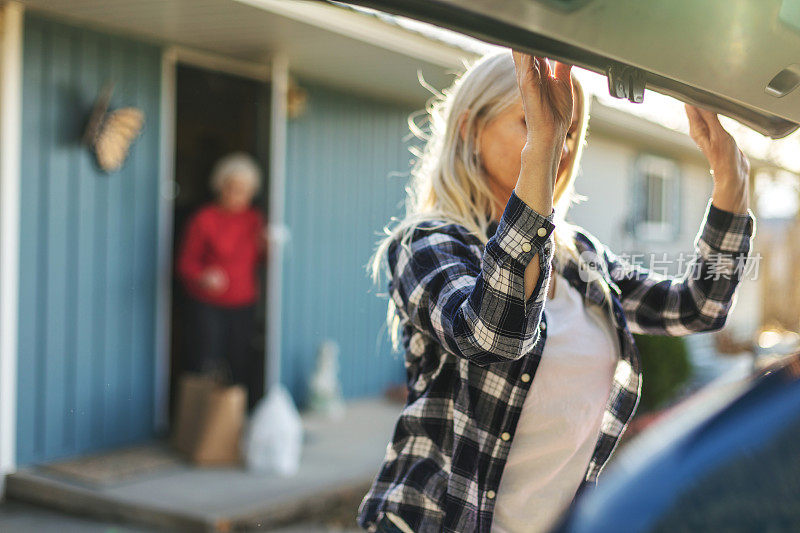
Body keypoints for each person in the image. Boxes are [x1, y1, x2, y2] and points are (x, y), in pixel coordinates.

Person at [358, 50, 755, 533]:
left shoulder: (577, 257)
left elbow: (697, 308)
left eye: (566, 131)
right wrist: (542, 150)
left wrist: (731, 189)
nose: (559, 145)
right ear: (468, 128)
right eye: (532, 121)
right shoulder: (427, 242)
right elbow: (493, 337)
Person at [176, 152, 269, 405]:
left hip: (243, 302)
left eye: (244, 190)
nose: (238, 196)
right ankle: (201, 425)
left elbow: (261, 261)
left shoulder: (254, 219)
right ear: (220, 187)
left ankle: (231, 427)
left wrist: (266, 246)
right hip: (207, 304)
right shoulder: (204, 219)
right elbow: (185, 264)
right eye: (233, 188)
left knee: (239, 363)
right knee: (204, 364)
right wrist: (203, 276)